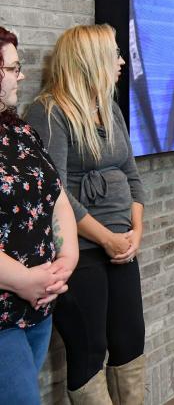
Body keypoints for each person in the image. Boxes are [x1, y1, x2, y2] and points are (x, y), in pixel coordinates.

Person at [24, 24, 147, 403]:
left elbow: (132, 175)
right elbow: (54, 191)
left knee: (130, 343)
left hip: (122, 247)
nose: (122, 61)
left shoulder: (109, 108)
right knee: (90, 351)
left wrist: (135, 232)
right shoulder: (49, 112)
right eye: (115, 54)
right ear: (91, 61)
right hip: (81, 254)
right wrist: (106, 238)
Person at [0, 27, 79, 405]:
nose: (22, 75)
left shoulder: (20, 130)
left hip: (38, 307)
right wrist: (24, 280)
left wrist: (67, 258)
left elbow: (56, 195)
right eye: (14, 68)